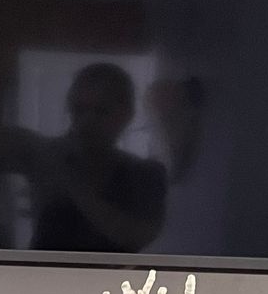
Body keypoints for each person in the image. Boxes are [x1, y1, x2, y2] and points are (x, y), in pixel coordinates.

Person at [29, 61, 167, 254]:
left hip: (112, 284)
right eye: (79, 110)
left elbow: (137, 236)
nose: (87, 121)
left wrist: (70, 182)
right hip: (41, 281)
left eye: (102, 111)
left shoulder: (146, 173)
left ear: (126, 115)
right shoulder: (49, 156)